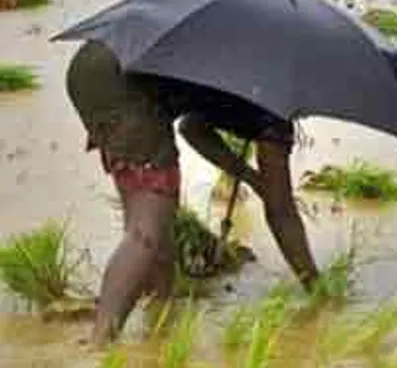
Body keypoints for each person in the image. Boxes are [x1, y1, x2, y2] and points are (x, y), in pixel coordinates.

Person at [65, 40, 319, 345]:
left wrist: (249, 177)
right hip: (125, 87)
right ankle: (101, 340)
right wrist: (317, 289)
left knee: (153, 220)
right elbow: (281, 211)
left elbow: (192, 127)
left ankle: (160, 314)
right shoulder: (276, 110)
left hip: (94, 65)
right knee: (145, 230)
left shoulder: (250, 64)